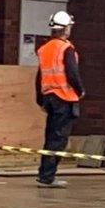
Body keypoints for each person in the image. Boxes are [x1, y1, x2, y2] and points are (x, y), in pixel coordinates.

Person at [35, 11, 84, 188]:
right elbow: (72, 73)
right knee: (59, 139)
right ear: (65, 28)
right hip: (64, 97)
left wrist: (39, 99)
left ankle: (44, 174)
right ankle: (47, 177)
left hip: (49, 97)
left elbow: (40, 75)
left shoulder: (44, 48)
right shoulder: (66, 48)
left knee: (50, 137)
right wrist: (80, 91)